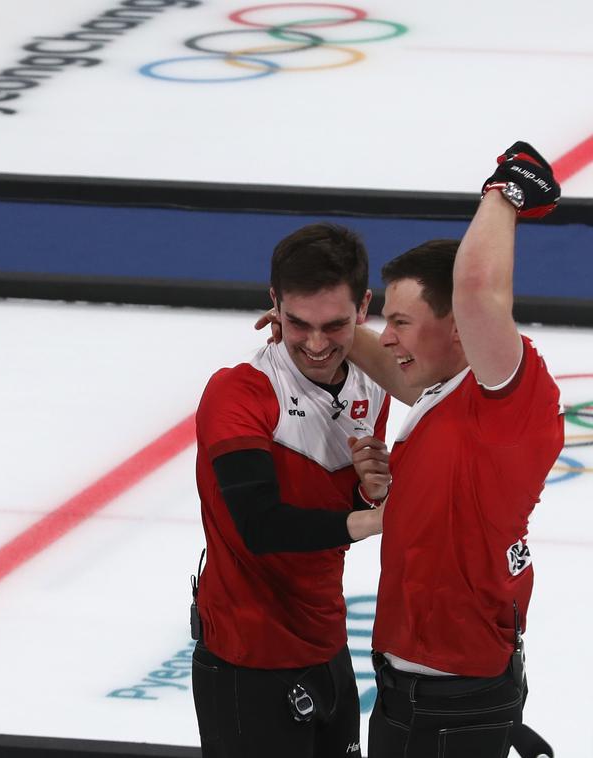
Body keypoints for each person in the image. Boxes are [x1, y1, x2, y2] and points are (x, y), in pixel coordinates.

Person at [343, 142, 564, 758]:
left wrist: (507, 188)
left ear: (462, 327)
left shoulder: (508, 400)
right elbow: (391, 365)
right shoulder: (447, 395)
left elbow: (476, 288)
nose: (386, 337)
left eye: (402, 323)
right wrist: (317, 325)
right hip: (406, 689)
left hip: (452, 702)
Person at [192, 223, 391, 758]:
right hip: (247, 656)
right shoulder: (238, 391)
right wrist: (375, 521)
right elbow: (260, 525)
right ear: (274, 302)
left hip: (327, 642)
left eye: (335, 325)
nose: (317, 344)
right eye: (298, 323)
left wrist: (369, 497)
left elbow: (330, 512)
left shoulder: (374, 384)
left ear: (365, 306)